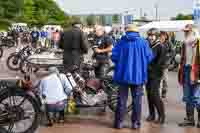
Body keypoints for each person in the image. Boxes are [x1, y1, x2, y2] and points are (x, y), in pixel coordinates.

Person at [112, 24, 154, 129]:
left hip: (123, 75)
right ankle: (135, 123)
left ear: (127, 31)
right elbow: (149, 57)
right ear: (137, 32)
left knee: (121, 100)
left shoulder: (121, 42)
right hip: (138, 76)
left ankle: (119, 123)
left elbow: (114, 57)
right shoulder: (143, 43)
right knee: (137, 101)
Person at [178, 24, 200, 128]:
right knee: (187, 96)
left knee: (196, 97)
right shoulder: (185, 43)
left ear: (193, 31)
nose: (185, 33)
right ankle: (190, 119)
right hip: (187, 69)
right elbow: (183, 58)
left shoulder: (198, 41)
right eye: (185, 31)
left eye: (187, 31)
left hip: (196, 71)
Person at [146, 28, 167, 124]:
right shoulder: (149, 45)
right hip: (148, 74)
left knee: (155, 95)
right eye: (149, 35)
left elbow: (160, 63)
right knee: (149, 95)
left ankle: (161, 116)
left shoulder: (160, 46)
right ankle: (152, 114)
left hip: (156, 74)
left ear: (157, 36)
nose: (150, 37)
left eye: (152, 35)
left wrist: (151, 68)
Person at [159, 31, 174, 98]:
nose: (162, 37)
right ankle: (157, 92)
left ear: (166, 36)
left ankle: (164, 91)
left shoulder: (168, 43)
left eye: (164, 35)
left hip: (165, 64)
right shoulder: (157, 43)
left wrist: (168, 56)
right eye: (161, 35)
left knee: (165, 78)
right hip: (157, 64)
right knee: (158, 79)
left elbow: (173, 52)